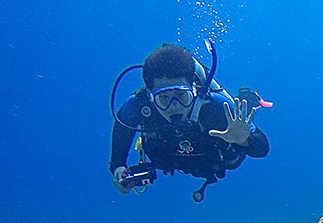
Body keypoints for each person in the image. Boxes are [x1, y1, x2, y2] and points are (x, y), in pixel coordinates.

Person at [109, 43, 270, 200]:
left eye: (181, 95)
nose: (174, 107)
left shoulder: (216, 106)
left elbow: (262, 149)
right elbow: (121, 137)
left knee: (237, 127)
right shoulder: (137, 106)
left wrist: (243, 140)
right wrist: (118, 167)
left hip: (219, 160)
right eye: (163, 98)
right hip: (172, 160)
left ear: (194, 89)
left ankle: (247, 100)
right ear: (150, 95)